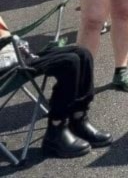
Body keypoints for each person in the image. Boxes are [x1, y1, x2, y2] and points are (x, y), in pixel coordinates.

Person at [0, 15, 113, 157]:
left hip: (15, 57)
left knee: (82, 54)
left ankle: (78, 118)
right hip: (6, 68)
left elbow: (4, 34)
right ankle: (56, 129)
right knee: (68, 62)